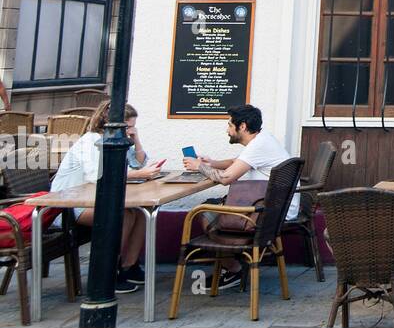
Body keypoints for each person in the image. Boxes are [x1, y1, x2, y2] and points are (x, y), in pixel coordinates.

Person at [50, 101, 161, 294]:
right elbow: (98, 176)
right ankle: (108, 271)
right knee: (123, 214)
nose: (131, 130)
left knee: (142, 212)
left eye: (133, 126)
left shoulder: (116, 139)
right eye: (128, 126)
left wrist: (136, 140)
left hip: (95, 200)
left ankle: (129, 266)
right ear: (112, 123)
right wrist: (140, 174)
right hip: (69, 205)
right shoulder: (91, 140)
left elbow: (137, 163)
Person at [182, 104, 297, 290]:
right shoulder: (262, 140)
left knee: (203, 213)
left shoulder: (259, 145)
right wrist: (212, 163)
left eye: (229, 125)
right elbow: (239, 162)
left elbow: (226, 178)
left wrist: (199, 167)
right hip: (275, 208)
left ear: (242, 126)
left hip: (264, 214)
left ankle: (233, 269)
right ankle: (234, 264)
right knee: (212, 205)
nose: (227, 130)